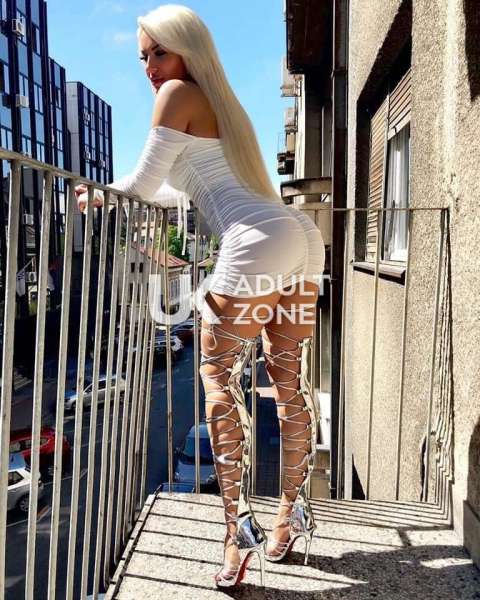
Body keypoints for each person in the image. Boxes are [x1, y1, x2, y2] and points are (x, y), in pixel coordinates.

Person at [75, 4, 325, 589]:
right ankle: (291, 516)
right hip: (299, 235)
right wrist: (118, 194)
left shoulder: (177, 94)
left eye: (159, 52)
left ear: (188, 49)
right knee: (287, 381)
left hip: (254, 240)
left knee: (218, 380)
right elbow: (179, 190)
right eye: (143, 57)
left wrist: (99, 193)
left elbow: (141, 185)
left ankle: (237, 532)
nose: (150, 68)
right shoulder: (218, 105)